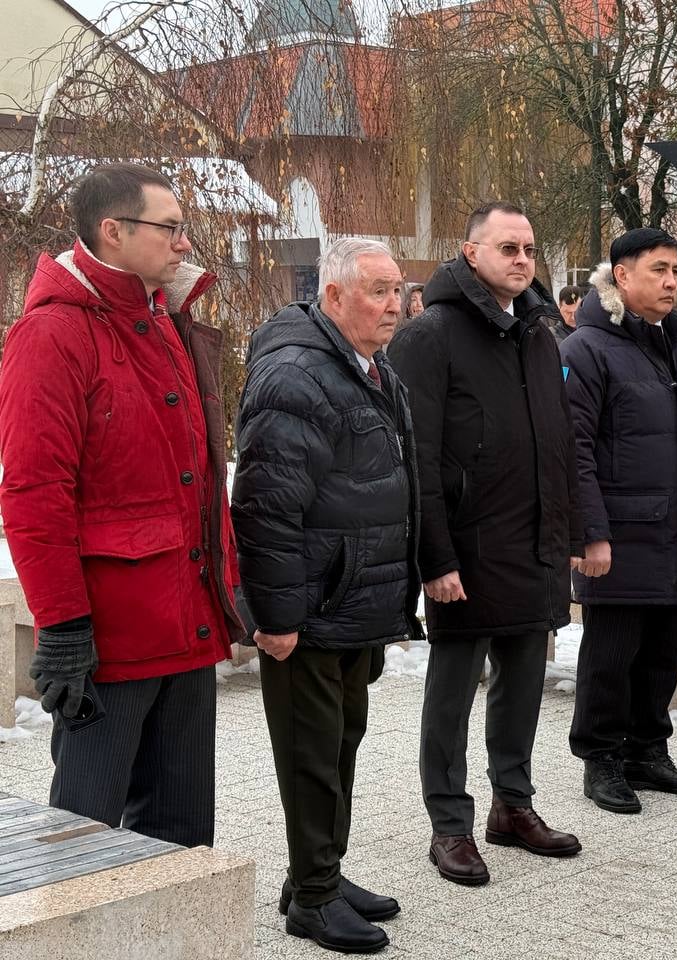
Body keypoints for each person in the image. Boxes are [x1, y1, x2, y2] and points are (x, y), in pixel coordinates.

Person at [0, 163, 243, 848]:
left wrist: (227, 585)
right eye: (169, 228)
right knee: (83, 837)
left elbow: (195, 477)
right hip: (109, 641)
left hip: (186, 623)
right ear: (112, 231)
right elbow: (34, 495)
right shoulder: (51, 335)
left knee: (183, 839)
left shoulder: (165, 319)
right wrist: (64, 628)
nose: (183, 244)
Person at [387, 203, 585, 886]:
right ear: (469, 252)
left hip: (534, 547)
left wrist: (575, 533)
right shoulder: (430, 335)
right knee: (452, 694)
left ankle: (513, 805)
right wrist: (433, 559)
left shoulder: (537, 331)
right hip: (466, 552)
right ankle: (449, 825)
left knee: (523, 685)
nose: (523, 259)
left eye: (529, 248)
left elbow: (559, 445)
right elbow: (416, 458)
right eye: (508, 247)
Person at [233, 238, 421, 953]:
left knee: (340, 743)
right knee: (312, 755)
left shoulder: (364, 366)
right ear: (334, 296)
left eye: (398, 290)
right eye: (377, 291)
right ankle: (311, 900)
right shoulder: (297, 374)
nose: (394, 306)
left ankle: (320, 873)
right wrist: (275, 617)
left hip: (353, 602)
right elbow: (265, 506)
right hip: (309, 608)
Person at [562, 227, 677, 815]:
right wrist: (590, 532)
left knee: (664, 651)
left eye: (675, 271)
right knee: (611, 654)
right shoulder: (586, 349)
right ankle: (602, 758)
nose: (671, 282)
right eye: (658, 270)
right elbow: (574, 450)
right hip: (618, 535)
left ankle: (648, 749)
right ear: (621, 275)